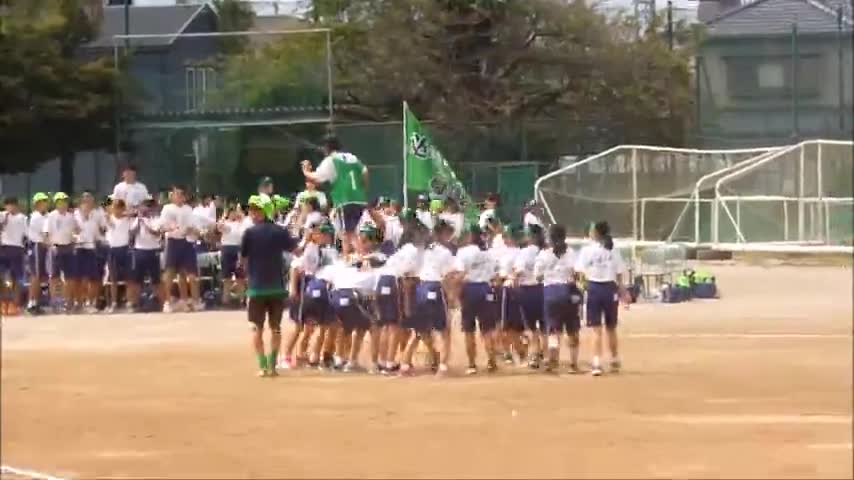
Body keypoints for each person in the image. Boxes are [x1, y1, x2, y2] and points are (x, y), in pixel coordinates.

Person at [240, 195, 298, 377]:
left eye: (255, 209)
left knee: (257, 328)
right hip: (276, 287)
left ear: (262, 211)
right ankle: (272, 366)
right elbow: (296, 250)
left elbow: (243, 259)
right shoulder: (279, 231)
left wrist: (243, 278)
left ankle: (263, 366)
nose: (252, 212)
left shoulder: (249, 233)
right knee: (276, 328)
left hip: (256, 287)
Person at [574, 221, 631, 376]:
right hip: (609, 289)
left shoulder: (587, 251)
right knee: (611, 328)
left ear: (596, 233)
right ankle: (614, 360)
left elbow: (579, 272)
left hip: (594, 289)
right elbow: (619, 274)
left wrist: (582, 285)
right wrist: (623, 291)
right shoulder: (613, 250)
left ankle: (597, 363)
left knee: (596, 330)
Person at [400, 221, 455, 376]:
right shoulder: (445, 252)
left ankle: (405, 365)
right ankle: (442, 367)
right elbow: (448, 276)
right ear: (443, 234)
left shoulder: (421, 250)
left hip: (420, 289)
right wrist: (450, 296)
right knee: (444, 331)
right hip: (435, 287)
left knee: (418, 331)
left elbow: (407, 274)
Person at [301, 136, 368, 257]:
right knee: (348, 231)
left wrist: (305, 171)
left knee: (349, 232)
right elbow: (365, 171)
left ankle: (363, 259)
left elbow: (316, 178)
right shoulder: (352, 157)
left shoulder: (330, 160)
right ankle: (347, 257)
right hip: (360, 199)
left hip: (345, 199)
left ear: (327, 148)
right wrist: (362, 188)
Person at [535, 224, 581, 373]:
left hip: (550, 294)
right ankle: (573, 364)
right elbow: (577, 273)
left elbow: (538, 276)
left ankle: (553, 360)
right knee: (572, 330)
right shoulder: (571, 253)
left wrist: (549, 273)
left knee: (553, 330)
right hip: (568, 292)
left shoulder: (543, 254)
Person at [454, 224, 500, 375]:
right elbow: (496, 275)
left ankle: (472, 364)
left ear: (469, 236)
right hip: (486, 289)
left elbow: (460, 274)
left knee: (469, 330)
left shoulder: (463, 252)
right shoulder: (489, 253)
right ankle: (492, 361)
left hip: (470, 289)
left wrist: (454, 291)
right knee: (487, 329)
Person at [160, 185, 200, 313]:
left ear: (184, 197)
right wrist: (172, 228)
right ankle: (167, 302)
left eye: (181, 194)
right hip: (172, 242)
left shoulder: (188, 209)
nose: (178, 196)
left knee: (189, 274)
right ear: (172, 196)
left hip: (186, 242)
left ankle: (192, 301)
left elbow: (193, 226)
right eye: (176, 194)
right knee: (169, 273)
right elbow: (164, 226)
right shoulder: (167, 209)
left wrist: (193, 230)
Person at [512, 224, 546, 369]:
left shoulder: (524, 252)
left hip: (527, 291)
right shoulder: (545, 251)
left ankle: (534, 355)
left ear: (530, 237)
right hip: (544, 290)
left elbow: (518, 272)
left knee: (531, 327)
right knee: (545, 326)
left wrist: (514, 283)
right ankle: (545, 354)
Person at [496, 224, 526, 365]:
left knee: (505, 325)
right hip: (522, 290)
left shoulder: (505, 254)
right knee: (518, 325)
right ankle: (517, 351)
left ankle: (510, 352)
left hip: (508, 290)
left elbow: (501, 275)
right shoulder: (522, 252)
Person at [128, 197, 164, 312]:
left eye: (150, 206)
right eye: (145, 206)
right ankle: (135, 304)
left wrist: (144, 222)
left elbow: (155, 232)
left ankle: (162, 303)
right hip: (139, 250)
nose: (147, 208)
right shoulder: (137, 220)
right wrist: (139, 221)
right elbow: (132, 233)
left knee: (156, 280)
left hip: (153, 251)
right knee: (137, 280)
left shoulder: (157, 219)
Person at [44, 192, 77, 313]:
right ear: (56, 203)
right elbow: (46, 233)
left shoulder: (71, 216)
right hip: (56, 248)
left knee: (69, 277)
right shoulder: (51, 216)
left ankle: (68, 302)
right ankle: (54, 302)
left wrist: (74, 238)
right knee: (53, 277)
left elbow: (75, 231)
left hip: (68, 248)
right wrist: (50, 245)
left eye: (64, 201)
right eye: (60, 201)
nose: (63, 204)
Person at [74, 192, 106, 313]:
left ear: (93, 200)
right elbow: (71, 230)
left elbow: (103, 229)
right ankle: (79, 302)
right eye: (85, 198)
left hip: (92, 248)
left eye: (90, 198)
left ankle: (90, 302)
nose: (87, 200)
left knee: (93, 278)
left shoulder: (98, 213)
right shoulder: (75, 214)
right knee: (79, 278)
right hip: (78, 248)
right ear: (81, 200)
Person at [0, 197, 27, 315]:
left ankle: (14, 304)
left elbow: (27, 233)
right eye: (8, 205)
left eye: (12, 205)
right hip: (3, 248)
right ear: (5, 206)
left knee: (16, 278)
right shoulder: (2, 215)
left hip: (17, 249)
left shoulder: (23, 218)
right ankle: (3, 302)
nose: (10, 207)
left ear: (17, 205)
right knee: (2, 277)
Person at [104, 199, 133, 312]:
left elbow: (133, 213)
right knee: (113, 279)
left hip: (125, 249)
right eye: (115, 207)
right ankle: (114, 303)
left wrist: (125, 212)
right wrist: (109, 211)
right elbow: (108, 221)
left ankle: (129, 302)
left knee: (129, 278)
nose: (117, 210)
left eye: (120, 208)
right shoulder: (109, 218)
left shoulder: (128, 219)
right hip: (113, 250)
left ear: (123, 208)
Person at [25, 193, 50, 314]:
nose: (44, 203)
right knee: (35, 276)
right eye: (41, 202)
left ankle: (35, 303)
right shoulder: (36, 217)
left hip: (42, 247)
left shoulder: (45, 216)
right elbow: (45, 234)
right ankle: (31, 303)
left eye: (45, 201)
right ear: (36, 204)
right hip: (36, 246)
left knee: (40, 276)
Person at [217, 206, 246, 308]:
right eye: (232, 212)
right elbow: (220, 227)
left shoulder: (241, 224)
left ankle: (241, 300)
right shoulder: (225, 223)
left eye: (235, 212)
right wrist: (224, 217)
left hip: (238, 249)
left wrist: (241, 216)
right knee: (226, 277)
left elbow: (245, 232)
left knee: (240, 277)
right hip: (226, 249)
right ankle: (225, 300)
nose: (234, 214)